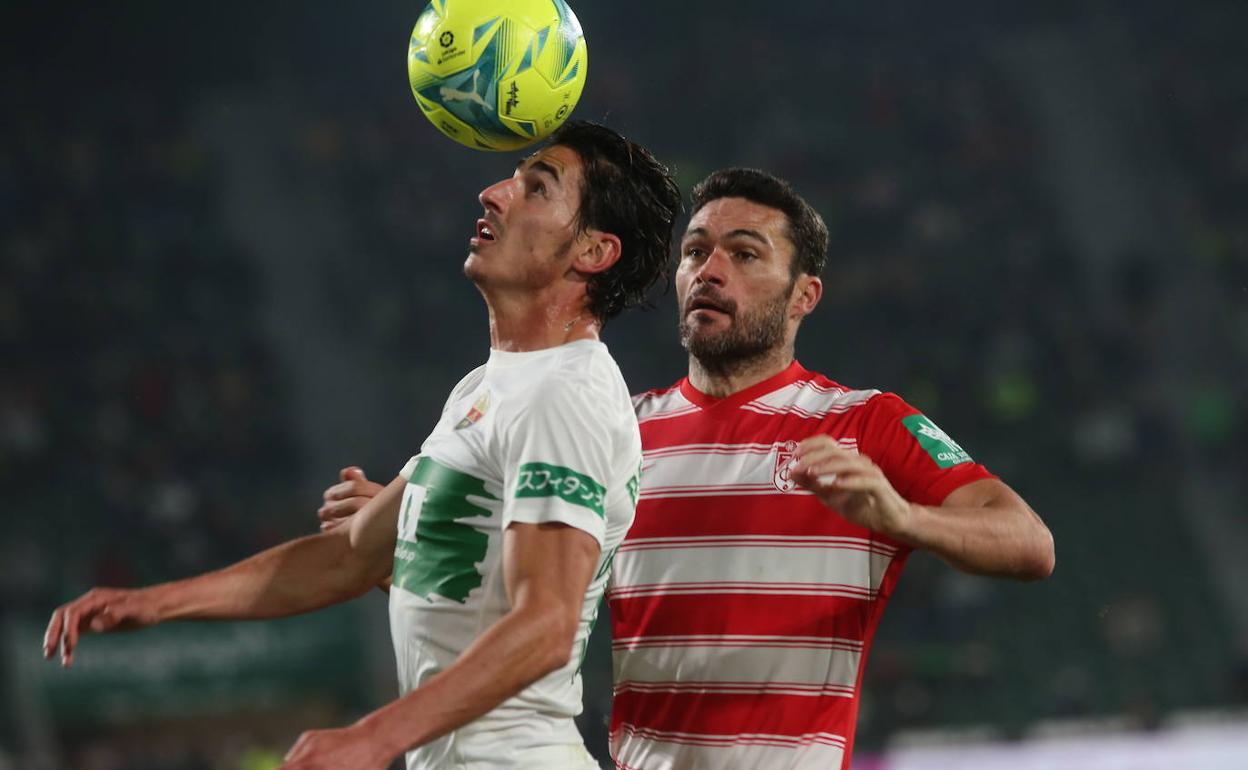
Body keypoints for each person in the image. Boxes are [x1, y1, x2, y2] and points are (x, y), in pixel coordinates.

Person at [320, 168, 1056, 770]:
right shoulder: (615, 429)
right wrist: (416, 523)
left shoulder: (866, 422)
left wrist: (902, 518)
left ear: (805, 296)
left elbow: (1028, 542)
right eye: (696, 251)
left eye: (744, 253)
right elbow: (528, 587)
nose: (710, 270)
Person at [42, 121, 682, 770]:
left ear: (595, 252)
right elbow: (350, 555)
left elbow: (546, 626)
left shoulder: (563, 393)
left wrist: (373, 737)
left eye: (536, 188)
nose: (493, 193)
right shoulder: (485, 389)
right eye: (509, 178)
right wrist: (153, 603)